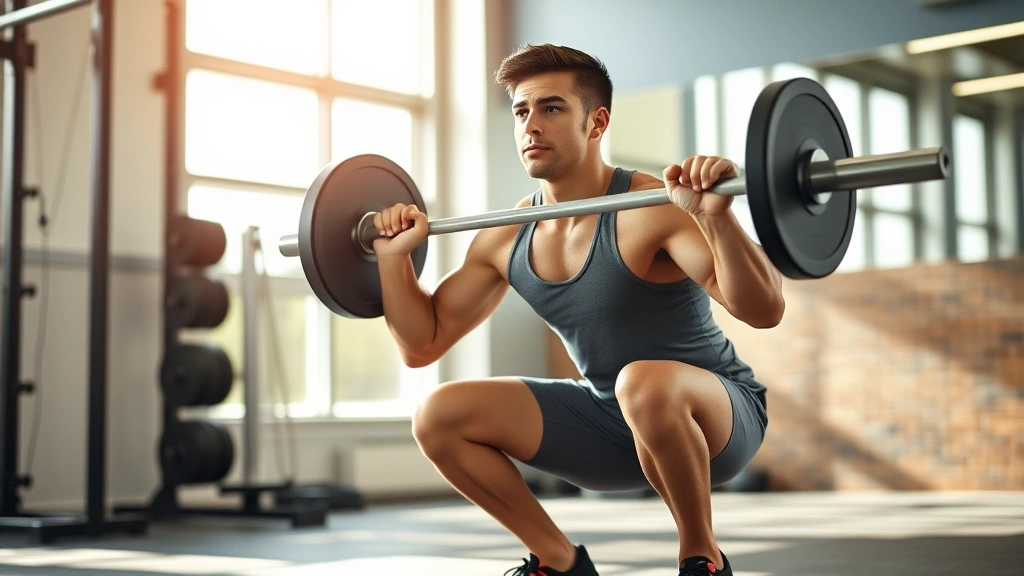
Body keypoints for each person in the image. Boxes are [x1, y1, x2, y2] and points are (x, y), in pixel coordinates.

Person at [370, 43, 783, 576]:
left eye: (551, 108)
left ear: (597, 122)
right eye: (521, 111)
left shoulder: (653, 206)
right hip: (612, 423)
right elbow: (422, 343)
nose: (531, 125)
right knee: (439, 415)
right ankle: (559, 562)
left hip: (718, 421)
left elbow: (764, 309)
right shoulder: (507, 234)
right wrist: (392, 262)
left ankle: (700, 557)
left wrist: (716, 219)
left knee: (643, 382)